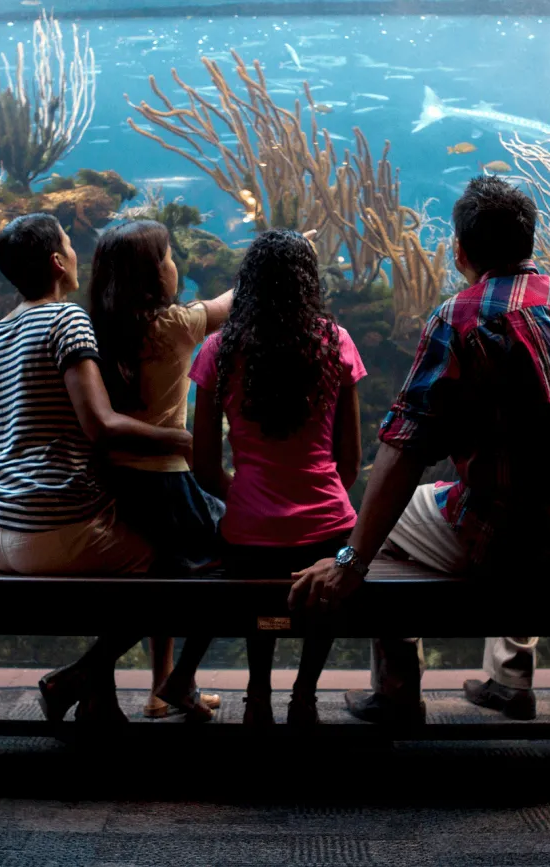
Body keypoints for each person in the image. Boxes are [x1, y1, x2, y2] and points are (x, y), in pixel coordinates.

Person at [289, 176, 550, 725]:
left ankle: (398, 691)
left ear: (459, 252)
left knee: (388, 518)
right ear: (528, 242)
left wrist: (349, 561)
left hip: (518, 548)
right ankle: (511, 678)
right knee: (525, 488)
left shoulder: (463, 317)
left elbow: (405, 446)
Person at [0, 212, 188, 724]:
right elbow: (102, 425)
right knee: (177, 565)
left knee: (121, 545)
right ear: (57, 262)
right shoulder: (66, 320)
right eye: (69, 244)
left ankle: (99, 700)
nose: (75, 253)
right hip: (54, 529)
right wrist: (181, 439)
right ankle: (79, 676)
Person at [190, 229, 366, 725]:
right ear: (308, 282)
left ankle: (258, 695)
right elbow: (349, 460)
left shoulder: (218, 350)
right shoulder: (336, 343)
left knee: (261, 607)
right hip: (328, 528)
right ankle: (305, 696)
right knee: (323, 597)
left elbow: (203, 464)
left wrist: (246, 496)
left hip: (248, 537)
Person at [88, 219, 234, 721]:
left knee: (166, 571)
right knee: (230, 559)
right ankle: (176, 681)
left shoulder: (97, 331)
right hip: (166, 482)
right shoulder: (174, 326)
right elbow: (228, 306)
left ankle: (160, 690)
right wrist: (268, 260)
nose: (176, 265)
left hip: (115, 483)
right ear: (151, 276)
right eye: (169, 256)